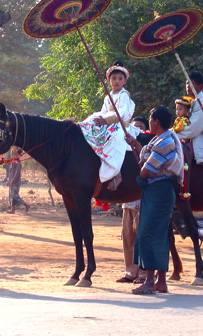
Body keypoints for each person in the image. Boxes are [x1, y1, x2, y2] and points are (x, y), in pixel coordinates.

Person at [125, 106, 184, 294]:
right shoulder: (162, 139)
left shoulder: (165, 141)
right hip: (158, 192)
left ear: (156, 121)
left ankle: (150, 281)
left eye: (151, 118)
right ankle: (161, 281)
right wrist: (136, 144)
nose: (149, 122)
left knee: (147, 234)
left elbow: (146, 170)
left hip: (159, 191)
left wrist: (143, 169)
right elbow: (151, 161)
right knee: (158, 235)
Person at [79, 61, 137, 191]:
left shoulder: (124, 95)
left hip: (120, 125)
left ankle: (117, 174)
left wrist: (106, 120)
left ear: (124, 81)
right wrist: (99, 119)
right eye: (114, 78)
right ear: (109, 80)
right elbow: (104, 112)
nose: (117, 81)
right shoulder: (108, 96)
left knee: (114, 138)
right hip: (108, 124)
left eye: (120, 79)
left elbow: (121, 114)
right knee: (92, 123)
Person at [116, 117, 148, 284]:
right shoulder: (122, 150)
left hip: (142, 199)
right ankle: (131, 271)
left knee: (142, 236)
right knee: (128, 236)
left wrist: (136, 144)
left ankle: (144, 272)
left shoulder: (147, 146)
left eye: (140, 128)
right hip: (127, 201)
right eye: (134, 127)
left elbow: (145, 160)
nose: (136, 130)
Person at [6, 147, 30, 214]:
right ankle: (12, 209)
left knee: (15, 195)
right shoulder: (13, 162)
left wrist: (13, 180)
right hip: (12, 181)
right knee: (12, 196)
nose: (11, 155)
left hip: (15, 182)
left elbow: (17, 173)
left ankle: (26, 204)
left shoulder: (17, 163)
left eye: (12, 154)